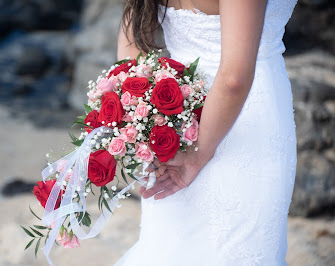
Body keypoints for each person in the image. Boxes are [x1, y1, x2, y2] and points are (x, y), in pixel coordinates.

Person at [115, 0, 297, 265]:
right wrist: (194, 155)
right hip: (247, 117)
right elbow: (234, 79)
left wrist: (148, 123)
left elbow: (131, 50)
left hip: (171, 119)